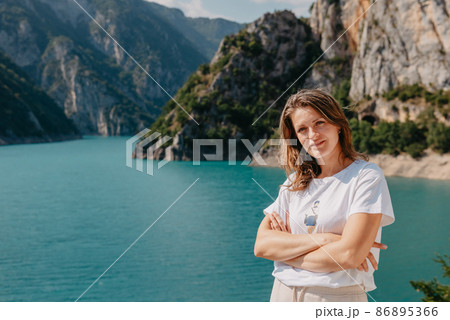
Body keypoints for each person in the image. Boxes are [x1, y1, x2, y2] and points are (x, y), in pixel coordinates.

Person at [254, 89, 395, 302]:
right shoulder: (294, 182)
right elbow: (262, 246)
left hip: (335, 299)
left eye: (320, 123)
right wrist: (327, 239)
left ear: (338, 124)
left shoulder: (366, 176)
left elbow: (348, 255)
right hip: (281, 295)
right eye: (302, 129)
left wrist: (284, 254)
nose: (312, 135)